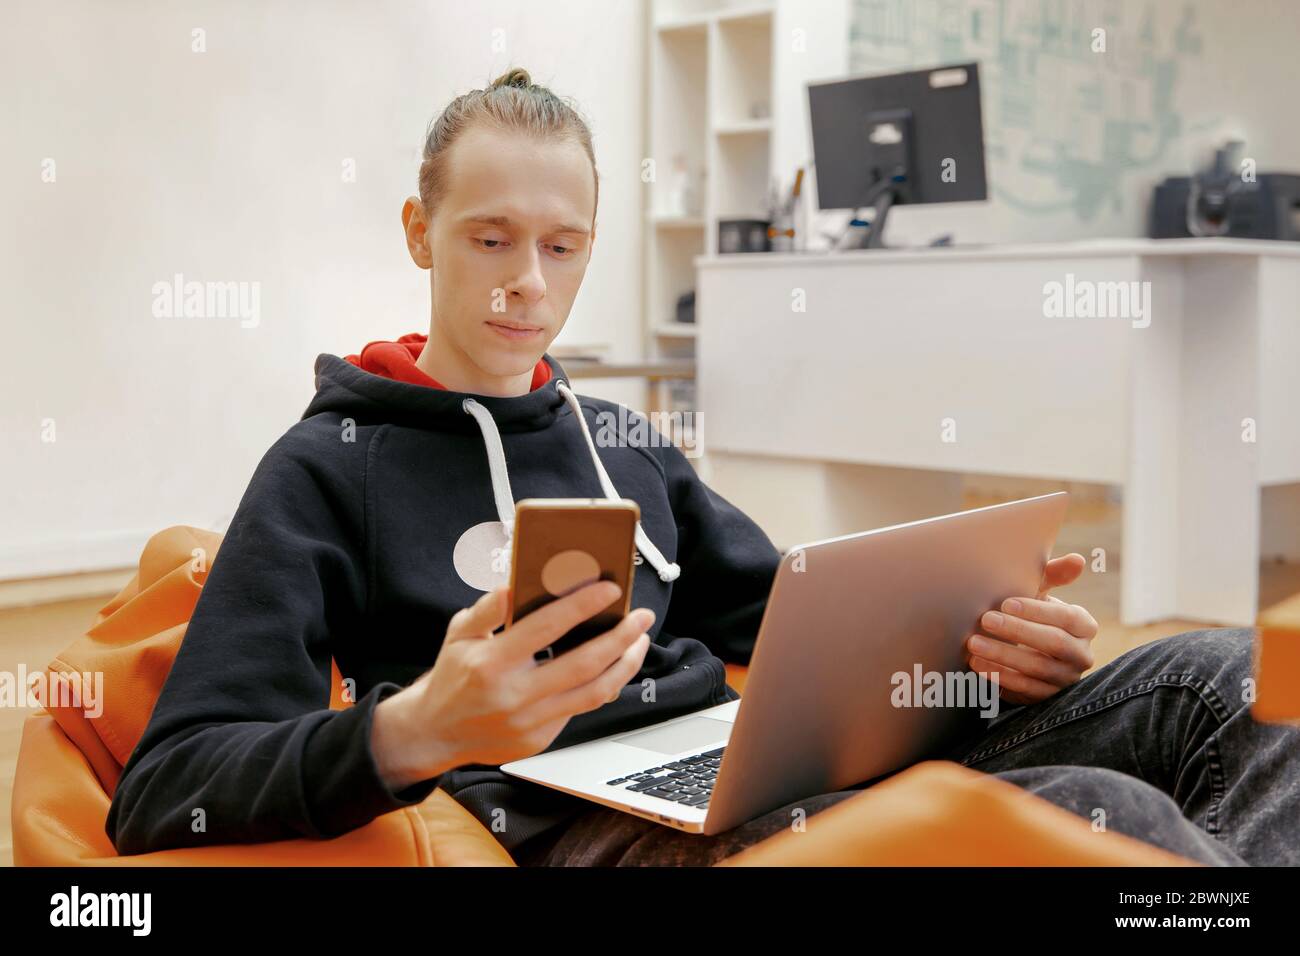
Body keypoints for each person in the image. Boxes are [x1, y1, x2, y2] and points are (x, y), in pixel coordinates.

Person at [106, 68, 1297, 867]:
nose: (529, 279)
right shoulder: (327, 465)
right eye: (489, 238)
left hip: (735, 763)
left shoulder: (621, 439)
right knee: (1114, 820)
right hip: (584, 821)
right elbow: (164, 785)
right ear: (421, 233)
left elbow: (807, 631)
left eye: (562, 245)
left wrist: (984, 661)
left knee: (1242, 678)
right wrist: (415, 728)